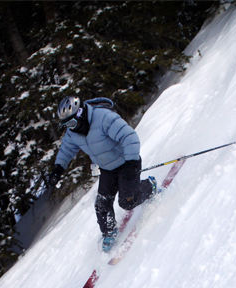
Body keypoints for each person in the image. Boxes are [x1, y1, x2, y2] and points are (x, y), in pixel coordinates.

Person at [47, 95, 157, 252]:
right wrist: (58, 168)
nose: (70, 128)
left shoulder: (103, 117)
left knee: (127, 202)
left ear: (80, 114)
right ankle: (109, 232)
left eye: (71, 123)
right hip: (107, 169)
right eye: (66, 125)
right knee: (102, 203)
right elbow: (67, 149)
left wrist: (131, 163)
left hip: (126, 163)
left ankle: (149, 186)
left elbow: (129, 137)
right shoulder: (73, 132)